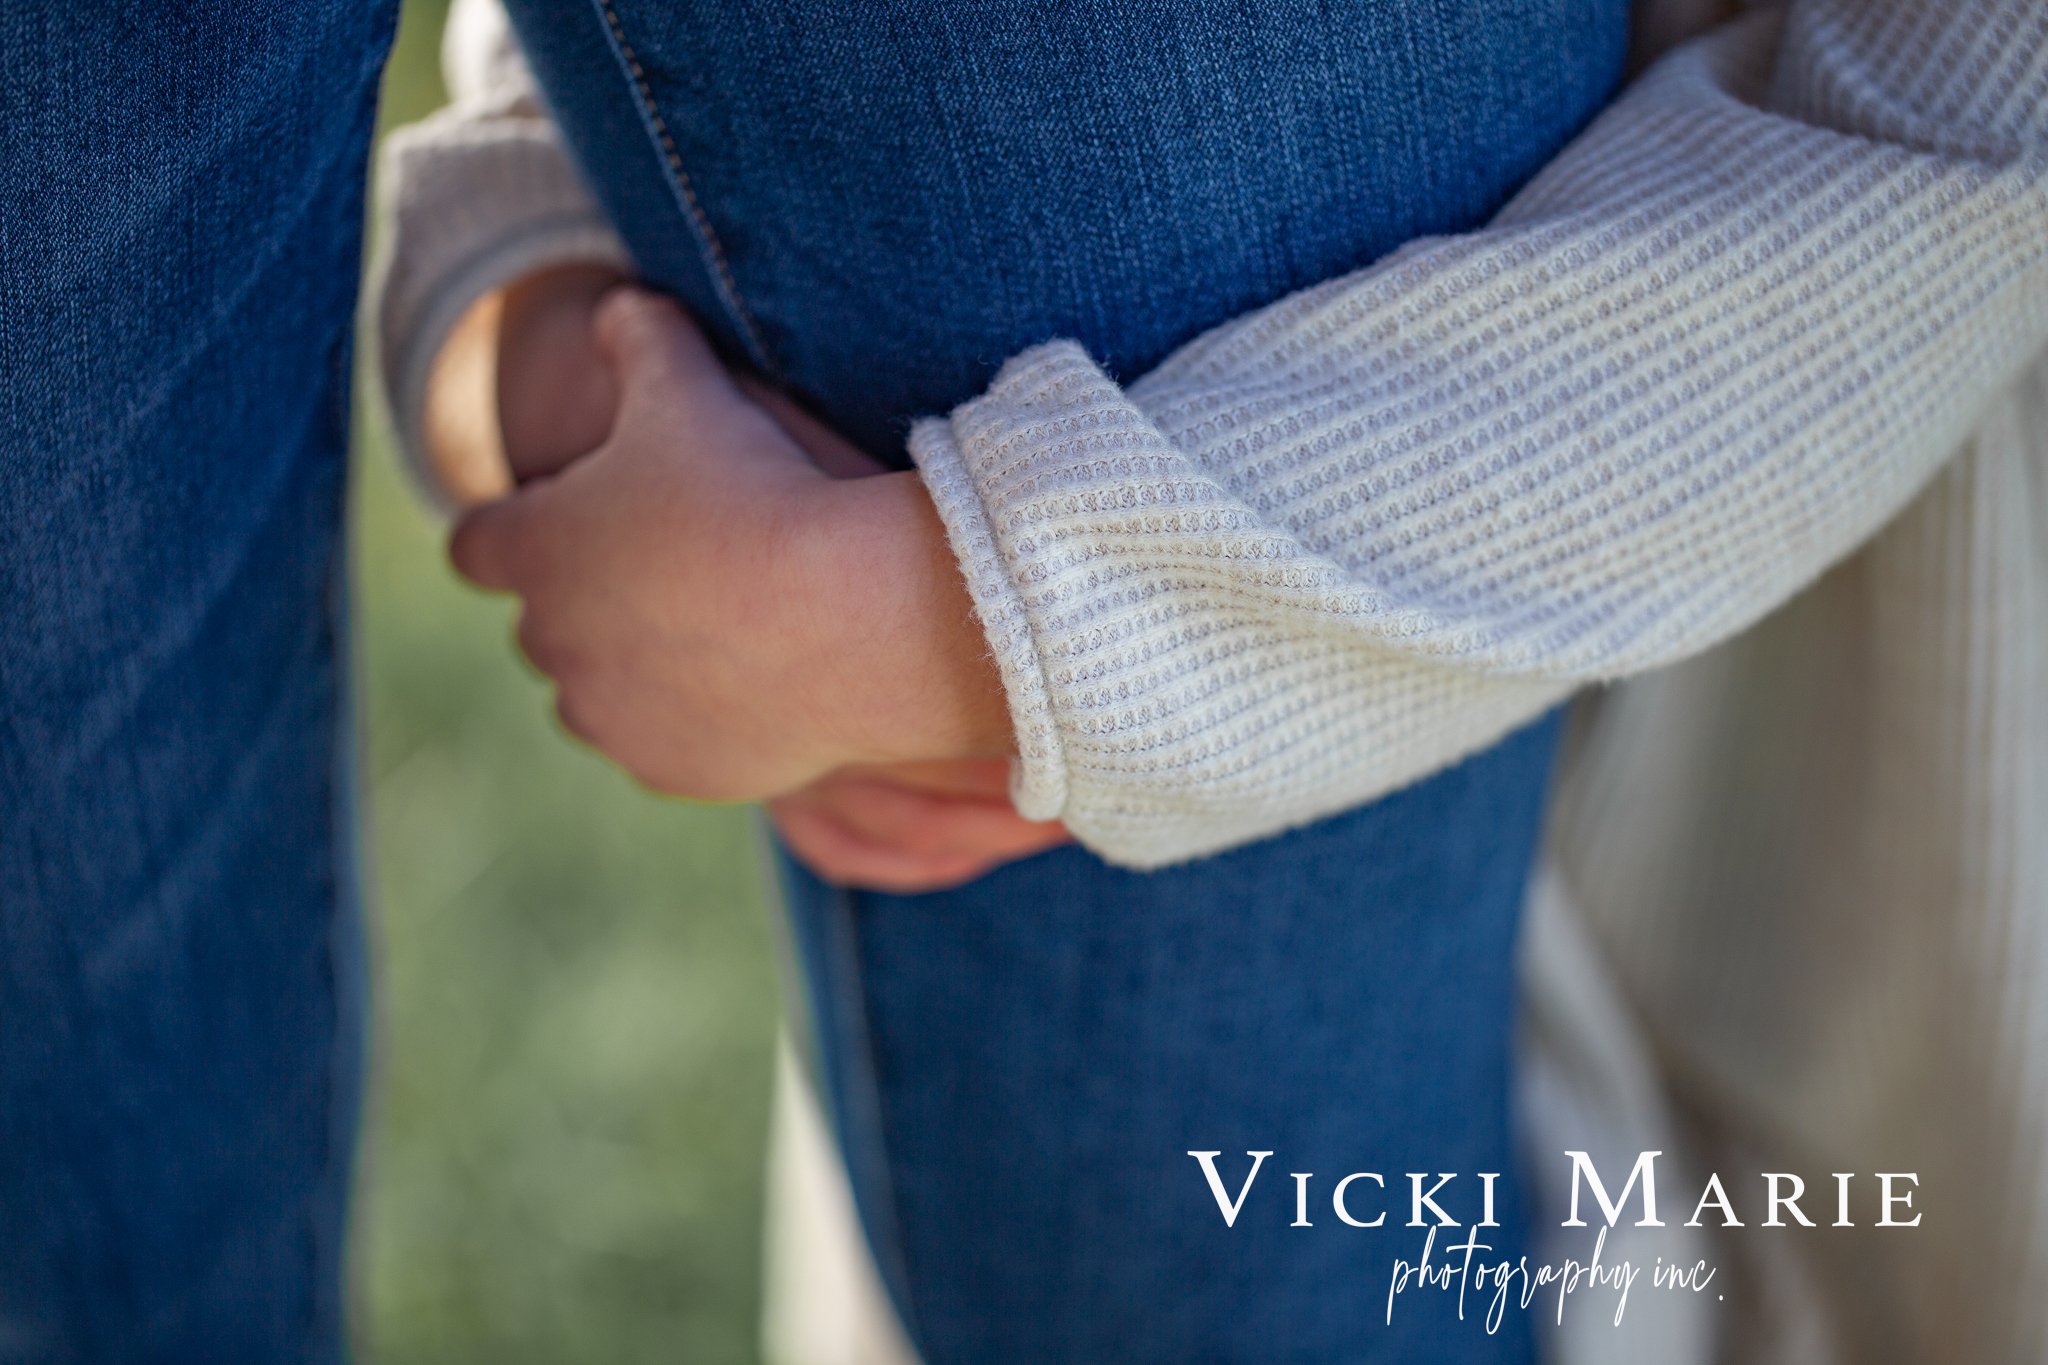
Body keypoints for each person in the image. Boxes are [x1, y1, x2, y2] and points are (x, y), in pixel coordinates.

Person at [377, 1, 2048, 1363]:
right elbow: (620, 77)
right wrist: (549, 351)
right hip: (1083, 932)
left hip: (1843, 976)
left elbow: (1970, 139)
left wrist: (940, 614)